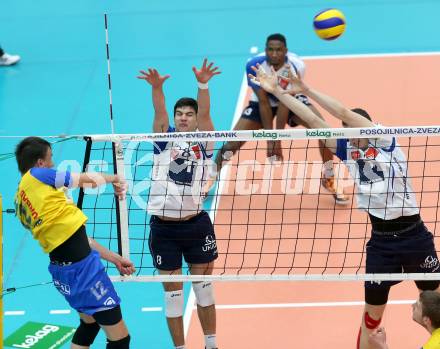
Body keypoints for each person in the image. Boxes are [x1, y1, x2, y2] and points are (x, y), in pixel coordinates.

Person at [249, 64, 440, 349]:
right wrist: (278, 92)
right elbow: (314, 121)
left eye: (351, 128)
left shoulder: (385, 139)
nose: (348, 133)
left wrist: (307, 90)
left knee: (436, 308)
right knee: (371, 320)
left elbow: (341, 113)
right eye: (345, 131)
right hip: (382, 243)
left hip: (414, 236)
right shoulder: (347, 149)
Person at [14, 137, 135, 349]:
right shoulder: (37, 174)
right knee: (120, 339)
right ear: (40, 163)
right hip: (84, 272)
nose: (52, 164)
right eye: (50, 159)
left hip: (64, 272)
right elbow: (82, 180)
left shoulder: (23, 197)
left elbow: (77, 238)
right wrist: (115, 177)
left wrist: (115, 258)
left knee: (89, 326)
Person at [137, 58, 220, 349]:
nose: (183, 117)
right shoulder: (164, 140)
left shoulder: (206, 142)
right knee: (172, 296)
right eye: (179, 113)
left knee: (204, 291)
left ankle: (211, 345)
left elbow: (207, 111)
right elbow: (158, 111)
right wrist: (157, 88)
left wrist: (203, 84)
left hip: (197, 226)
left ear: (196, 119)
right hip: (164, 230)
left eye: (188, 114)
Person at [207, 33, 348, 204]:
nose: (274, 54)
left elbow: (284, 104)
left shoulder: (294, 66)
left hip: (289, 100)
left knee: (323, 130)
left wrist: (278, 141)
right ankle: (209, 179)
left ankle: (329, 176)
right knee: (231, 143)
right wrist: (270, 142)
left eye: (278, 50)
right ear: (265, 50)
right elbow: (264, 103)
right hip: (262, 102)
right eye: (270, 50)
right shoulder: (254, 65)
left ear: (285, 51)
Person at [368, 290, 440, 349]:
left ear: (426, 320)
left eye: (417, 306)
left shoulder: (432, 346)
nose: (412, 305)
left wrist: (381, 345)